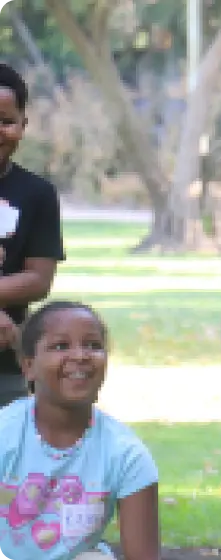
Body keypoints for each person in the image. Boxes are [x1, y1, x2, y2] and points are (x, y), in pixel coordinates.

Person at [0, 301, 160, 559]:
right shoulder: (5, 434)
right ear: (28, 366)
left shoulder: (126, 454)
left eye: (93, 346)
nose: (81, 356)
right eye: (61, 346)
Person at [0, 64, 65, 407]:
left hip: (8, 365)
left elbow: (39, 279)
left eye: (6, 121)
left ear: (23, 125)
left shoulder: (37, 194)